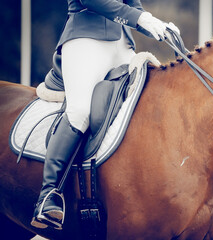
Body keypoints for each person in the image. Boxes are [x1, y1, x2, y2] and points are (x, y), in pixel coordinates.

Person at [31, 0, 177, 230]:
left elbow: (133, 6)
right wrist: (139, 18)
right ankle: (49, 193)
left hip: (123, 46)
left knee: (149, 103)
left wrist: (155, 24)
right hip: (85, 39)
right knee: (80, 112)